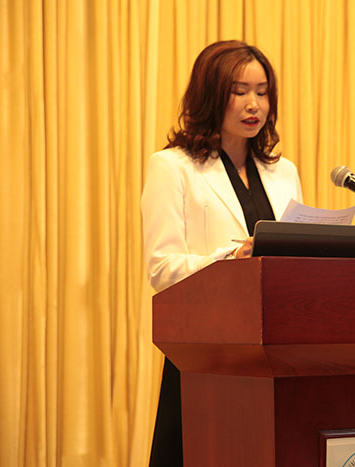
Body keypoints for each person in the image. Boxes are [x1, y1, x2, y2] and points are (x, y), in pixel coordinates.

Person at [140, 40, 303, 467]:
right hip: (207, 353)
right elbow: (161, 268)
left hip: (276, 351)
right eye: (239, 91)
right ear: (211, 94)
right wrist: (230, 261)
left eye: (262, 92)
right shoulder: (172, 167)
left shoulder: (284, 172)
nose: (254, 104)